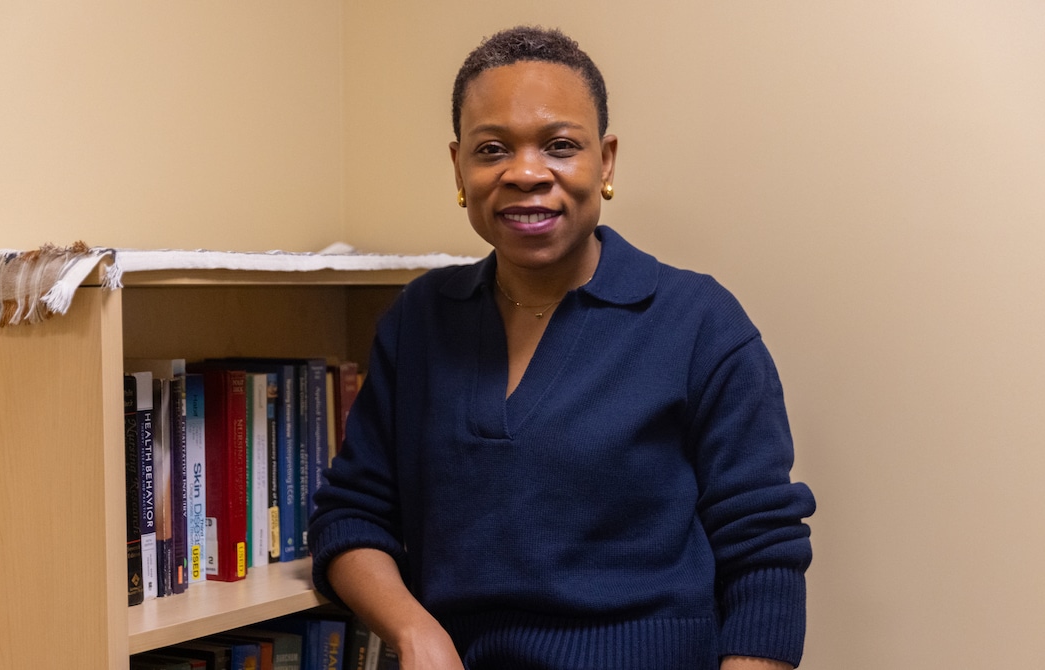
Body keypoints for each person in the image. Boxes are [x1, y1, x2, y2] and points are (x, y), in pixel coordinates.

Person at [308, 26, 816, 670]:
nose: (525, 173)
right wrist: (414, 631)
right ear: (459, 165)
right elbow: (350, 517)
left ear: (605, 161)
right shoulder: (419, 320)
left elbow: (764, 557)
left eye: (560, 146)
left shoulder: (700, 324)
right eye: (492, 148)